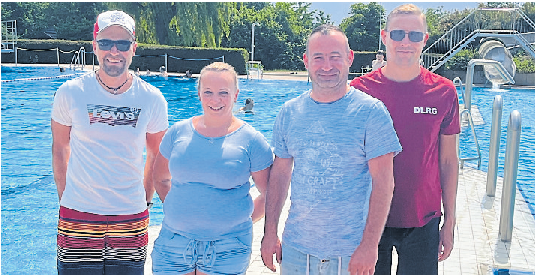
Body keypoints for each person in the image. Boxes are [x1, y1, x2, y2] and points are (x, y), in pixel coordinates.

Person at [260, 24, 402, 275]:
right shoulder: (290, 112)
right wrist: (270, 232)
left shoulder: (371, 113)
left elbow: (384, 184)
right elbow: (280, 175)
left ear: (349, 58)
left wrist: (370, 246)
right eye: (318, 57)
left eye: (335, 57)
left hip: (350, 252)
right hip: (296, 250)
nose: (327, 66)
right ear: (306, 61)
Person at [51, 10, 168, 275]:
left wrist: (145, 202)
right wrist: (66, 198)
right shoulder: (70, 93)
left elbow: (157, 156)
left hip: (130, 216)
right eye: (105, 43)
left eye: (123, 44)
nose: (114, 51)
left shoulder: (152, 98)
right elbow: (60, 148)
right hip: (78, 213)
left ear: (133, 48)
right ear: (94, 46)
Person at [350, 4, 460, 275]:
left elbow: (448, 161)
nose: (405, 42)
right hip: (369, 219)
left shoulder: (444, 92)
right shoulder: (358, 91)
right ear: (384, 36)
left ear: (425, 39)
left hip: (423, 219)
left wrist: (450, 221)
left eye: (414, 35)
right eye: (398, 34)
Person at [151, 62, 273, 275]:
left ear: (236, 95)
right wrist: (180, 208)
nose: (215, 100)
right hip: (174, 243)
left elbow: (270, 194)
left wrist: (240, 218)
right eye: (208, 92)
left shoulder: (252, 141)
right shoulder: (177, 133)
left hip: (228, 247)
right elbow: (160, 178)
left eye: (223, 93)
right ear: (199, 94)